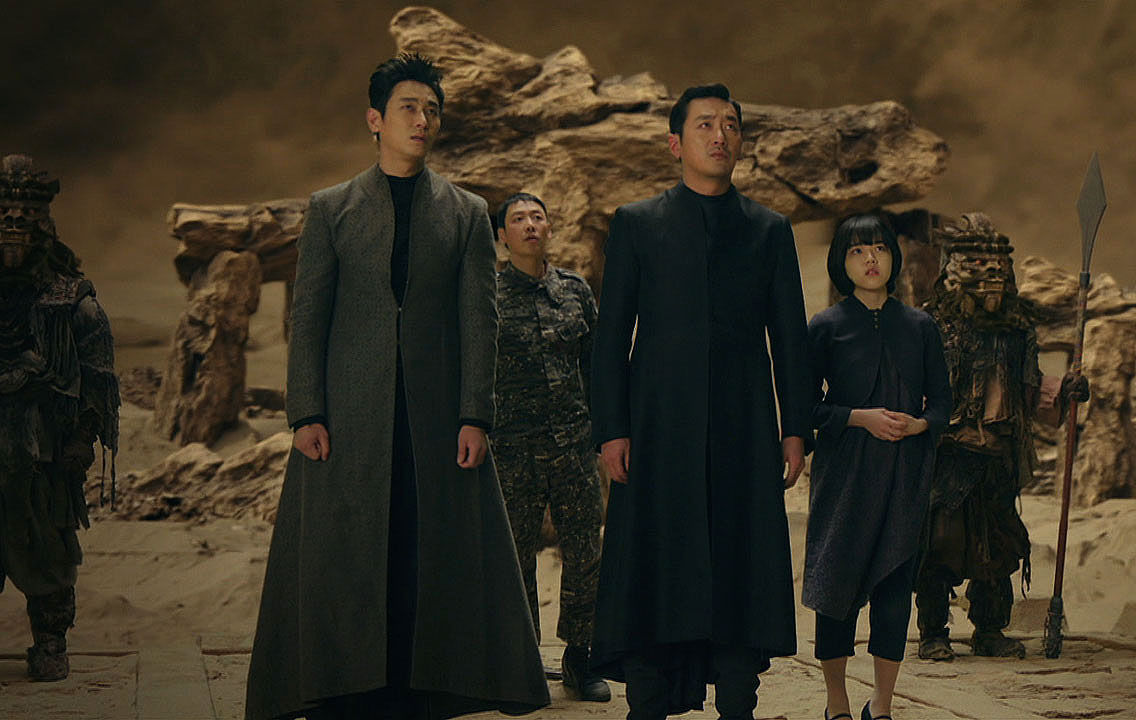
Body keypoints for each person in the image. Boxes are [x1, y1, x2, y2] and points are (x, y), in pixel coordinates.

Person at [244, 54, 549, 720]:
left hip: (436, 420)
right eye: (409, 107)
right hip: (346, 419)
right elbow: (308, 317)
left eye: (432, 109)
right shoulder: (331, 208)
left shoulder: (467, 213)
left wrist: (476, 415)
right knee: (346, 552)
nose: (422, 119)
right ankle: (343, 688)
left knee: (428, 548)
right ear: (375, 120)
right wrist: (305, 411)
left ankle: (429, 690)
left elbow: (480, 323)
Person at [590, 83, 811, 720]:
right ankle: (648, 699)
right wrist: (612, 428)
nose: (720, 136)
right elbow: (612, 336)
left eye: (731, 125)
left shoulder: (768, 230)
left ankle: (738, 700)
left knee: (741, 559)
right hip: (656, 424)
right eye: (706, 125)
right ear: (675, 143)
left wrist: (795, 428)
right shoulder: (637, 223)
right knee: (653, 558)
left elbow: (789, 337)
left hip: (745, 424)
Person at [914, 212, 1089, 662]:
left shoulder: (1016, 331)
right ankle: (933, 632)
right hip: (948, 457)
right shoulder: (930, 326)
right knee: (938, 544)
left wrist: (1063, 391)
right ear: (955, 270)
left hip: (998, 457)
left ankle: (990, 630)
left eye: (998, 264)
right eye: (979, 263)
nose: (992, 272)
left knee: (998, 546)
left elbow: (1029, 390)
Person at [803, 215, 951, 720]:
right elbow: (805, 408)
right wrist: (859, 417)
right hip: (844, 476)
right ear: (840, 263)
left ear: (894, 257)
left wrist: (918, 425)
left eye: (880, 249)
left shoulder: (920, 327)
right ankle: (837, 703)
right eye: (857, 251)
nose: (870, 259)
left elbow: (943, 403)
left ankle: (881, 705)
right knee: (835, 587)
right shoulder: (825, 327)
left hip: (904, 474)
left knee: (894, 591)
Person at [0, 154, 119, 682]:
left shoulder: (72, 299)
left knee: (47, 545)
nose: (13, 221)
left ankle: (50, 641)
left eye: (24, 212)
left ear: (43, 222)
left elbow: (96, 376)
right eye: (4, 210)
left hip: (42, 447)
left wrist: (82, 437)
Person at [490, 191, 610, 702]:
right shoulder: (487, 295)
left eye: (538, 217)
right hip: (511, 449)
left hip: (573, 446)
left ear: (550, 229)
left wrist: (605, 434)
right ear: (502, 236)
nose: (530, 225)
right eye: (518, 219)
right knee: (515, 557)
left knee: (585, 553)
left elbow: (596, 367)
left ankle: (581, 659)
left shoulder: (574, 291)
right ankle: (520, 663)